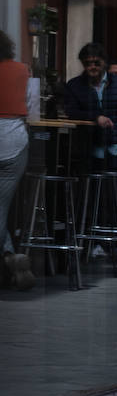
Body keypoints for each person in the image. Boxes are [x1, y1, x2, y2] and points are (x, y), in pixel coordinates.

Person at [63, 43, 117, 172]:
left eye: (96, 63)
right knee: (91, 191)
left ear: (104, 63)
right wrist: (96, 117)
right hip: (89, 149)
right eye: (88, 63)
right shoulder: (74, 85)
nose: (92, 67)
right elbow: (71, 112)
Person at [0, 31, 37, 291]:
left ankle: (8, 257)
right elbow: (32, 108)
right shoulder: (23, 69)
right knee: (1, 207)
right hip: (15, 137)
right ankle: (9, 256)